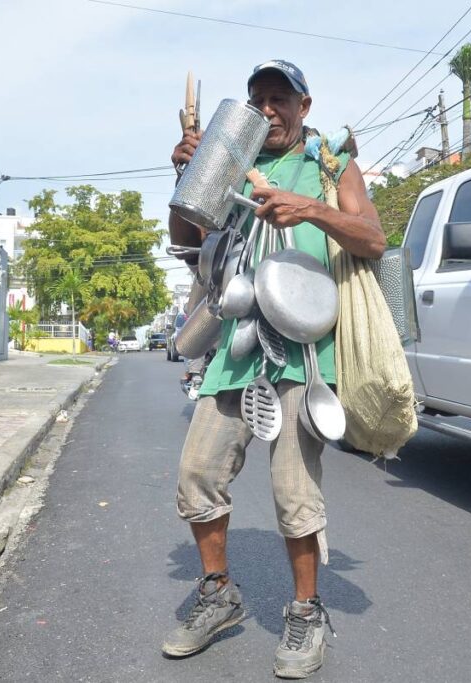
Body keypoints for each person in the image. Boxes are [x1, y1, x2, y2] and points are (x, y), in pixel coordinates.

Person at [162, 60, 386, 678]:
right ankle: (217, 596)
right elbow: (186, 240)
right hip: (235, 346)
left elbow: (372, 237)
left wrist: (309, 209)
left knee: (294, 491)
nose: (266, 110)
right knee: (196, 475)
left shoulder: (331, 166)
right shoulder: (231, 163)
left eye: (278, 99)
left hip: (303, 354)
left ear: (303, 106)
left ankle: (307, 611)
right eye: (257, 98)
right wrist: (192, 173)